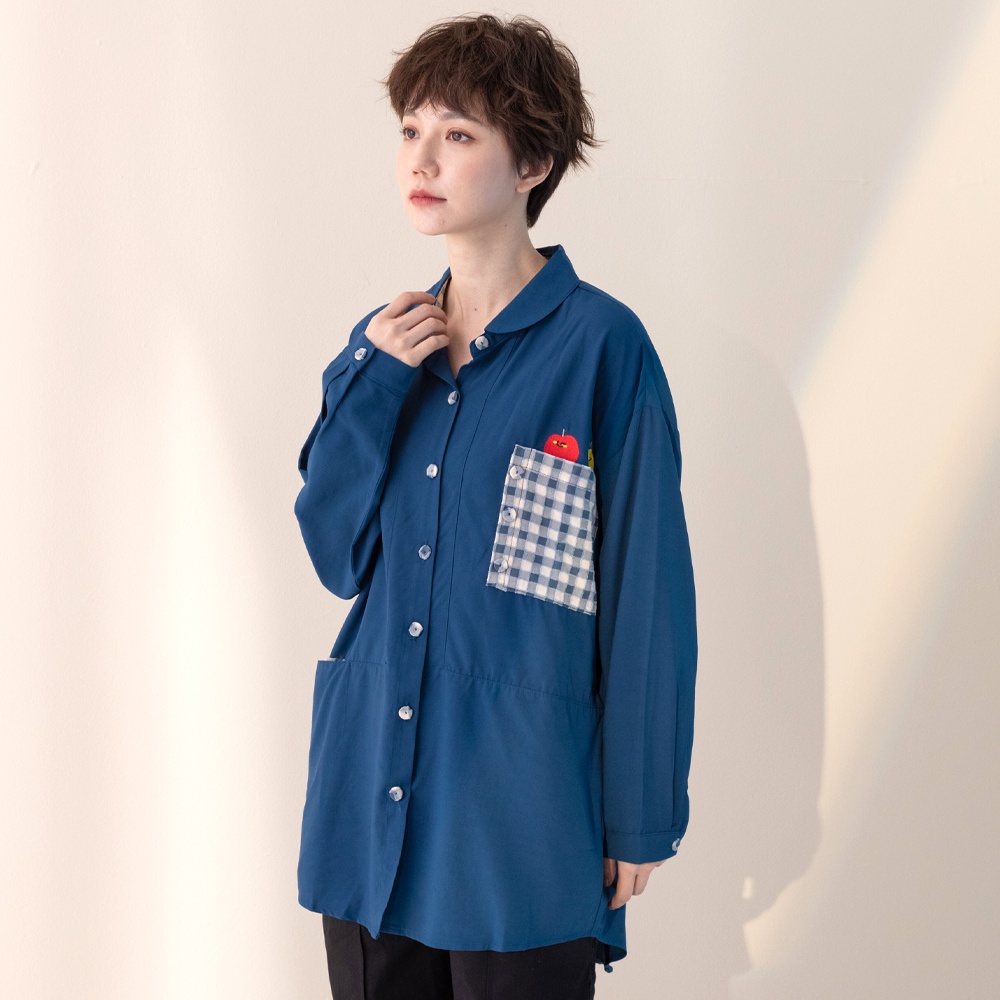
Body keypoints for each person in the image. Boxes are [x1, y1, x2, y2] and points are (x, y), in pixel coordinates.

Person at [293, 13, 698, 1000]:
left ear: (534, 164)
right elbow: (335, 556)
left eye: (459, 133)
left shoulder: (603, 349)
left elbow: (646, 595)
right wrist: (374, 382)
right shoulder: (384, 346)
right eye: (410, 130)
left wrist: (639, 813)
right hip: (370, 810)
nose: (421, 158)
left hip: (517, 820)